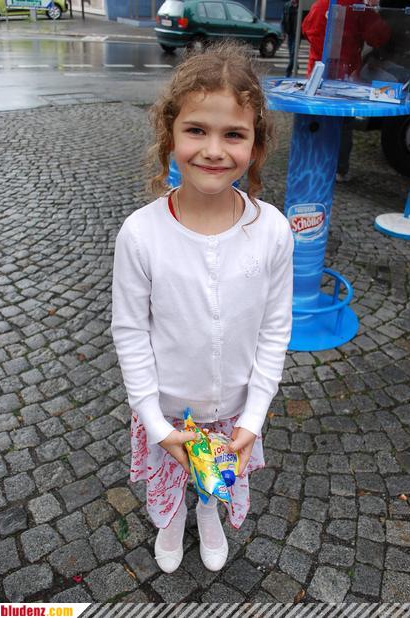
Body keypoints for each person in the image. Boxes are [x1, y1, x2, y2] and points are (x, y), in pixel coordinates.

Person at [111, 41, 294, 575]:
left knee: (216, 478)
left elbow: (275, 329)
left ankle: (209, 510)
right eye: (196, 130)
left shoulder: (272, 230)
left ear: (256, 144)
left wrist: (253, 418)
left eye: (233, 134)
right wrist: (154, 421)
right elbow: (130, 332)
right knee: (172, 475)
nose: (214, 150)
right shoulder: (141, 234)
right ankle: (171, 519)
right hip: (168, 408)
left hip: (235, 409)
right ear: (169, 134)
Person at [302, 0, 390, 181]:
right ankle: (339, 169)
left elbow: (307, 29)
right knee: (343, 124)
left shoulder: (320, 5)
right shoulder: (357, 6)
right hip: (346, 76)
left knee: (314, 120)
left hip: (316, 75)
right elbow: (379, 35)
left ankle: (311, 162)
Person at [281, 0, 299, 77]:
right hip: (290, 34)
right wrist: (283, 33)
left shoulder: (300, 6)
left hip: (297, 35)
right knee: (291, 54)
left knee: (293, 52)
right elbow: (283, 20)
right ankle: (295, 64)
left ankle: (288, 72)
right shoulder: (287, 5)